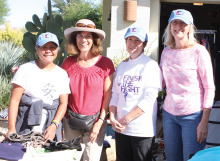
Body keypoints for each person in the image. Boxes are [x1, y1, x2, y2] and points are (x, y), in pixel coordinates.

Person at [160, 9, 215, 161]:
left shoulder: (199, 51)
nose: (178, 26)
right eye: (175, 22)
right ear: (170, 26)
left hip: (193, 116)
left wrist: (204, 121)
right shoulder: (166, 52)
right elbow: (159, 83)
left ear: (190, 27)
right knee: (172, 158)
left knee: (192, 158)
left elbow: (209, 87)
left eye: (183, 22)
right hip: (169, 114)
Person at [61, 19, 115, 161]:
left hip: (95, 121)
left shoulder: (105, 63)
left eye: (88, 36)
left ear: (94, 40)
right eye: (80, 35)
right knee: (72, 158)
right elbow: (56, 86)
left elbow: (108, 95)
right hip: (71, 122)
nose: (83, 40)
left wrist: (100, 122)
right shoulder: (67, 63)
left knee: (90, 158)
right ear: (74, 39)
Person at [109, 26, 163, 161]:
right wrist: (112, 118)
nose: (132, 43)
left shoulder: (150, 65)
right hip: (120, 128)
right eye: (129, 39)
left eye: (137, 40)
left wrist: (126, 120)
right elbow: (115, 94)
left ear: (143, 44)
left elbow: (149, 99)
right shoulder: (122, 66)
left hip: (141, 130)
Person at [6, 32, 70, 142]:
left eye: (52, 47)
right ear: (37, 49)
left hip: (50, 124)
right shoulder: (25, 69)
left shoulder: (62, 74)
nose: (48, 50)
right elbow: (15, 100)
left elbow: (63, 103)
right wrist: (12, 128)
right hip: (25, 122)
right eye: (44, 47)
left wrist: (54, 125)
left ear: (57, 50)